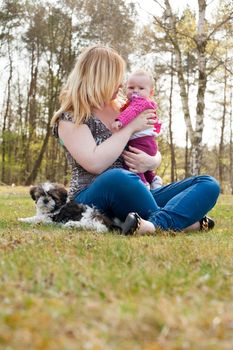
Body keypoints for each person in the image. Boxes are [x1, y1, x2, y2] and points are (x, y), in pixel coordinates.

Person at [51, 44, 220, 235]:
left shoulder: (123, 108)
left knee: (207, 183)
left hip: (138, 190)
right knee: (118, 177)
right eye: (117, 78)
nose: (121, 85)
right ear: (101, 79)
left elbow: (149, 143)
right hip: (92, 196)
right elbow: (94, 163)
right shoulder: (72, 117)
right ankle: (183, 222)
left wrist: (153, 161)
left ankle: (154, 225)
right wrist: (131, 127)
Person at [112, 69, 162, 189]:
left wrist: (120, 121)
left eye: (141, 88)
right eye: (131, 87)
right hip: (148, 143)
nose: (135, 91)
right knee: (140, 163)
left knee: (131, 163)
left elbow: (131, 111)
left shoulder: (140, 103)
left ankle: (142, 184)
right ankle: (153, 179)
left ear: (151, 92)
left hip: (141, 142)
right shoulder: (131, 103)